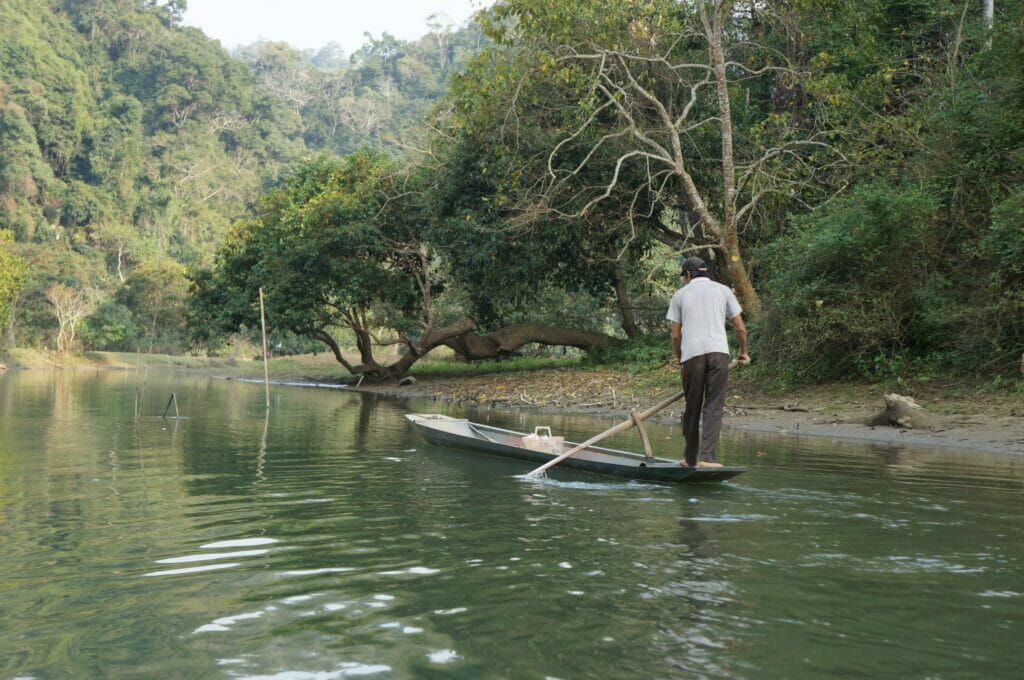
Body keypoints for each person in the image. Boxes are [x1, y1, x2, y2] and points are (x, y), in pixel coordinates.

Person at [666, 256, 750, 468]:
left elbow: (676, 336)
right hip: (719, 353)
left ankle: (691, 459)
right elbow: (740, 327)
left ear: (687, 275)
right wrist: (743, 352)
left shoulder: (680, 295)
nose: (683, 280)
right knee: (713, 406)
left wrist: (681, 360)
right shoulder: (724, 291)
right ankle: (708, 459)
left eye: (683, 277)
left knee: (692, 407)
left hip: (692, 356)